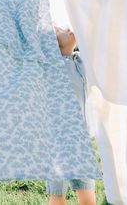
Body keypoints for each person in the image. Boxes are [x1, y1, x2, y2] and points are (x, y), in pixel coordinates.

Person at [46, 24, 96, 205]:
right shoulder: (51, 66)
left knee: (88, 196)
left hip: (80, 142)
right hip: (56, 142)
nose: (66, 28)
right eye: (58, 30)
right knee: (58, 196)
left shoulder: (81, 61)